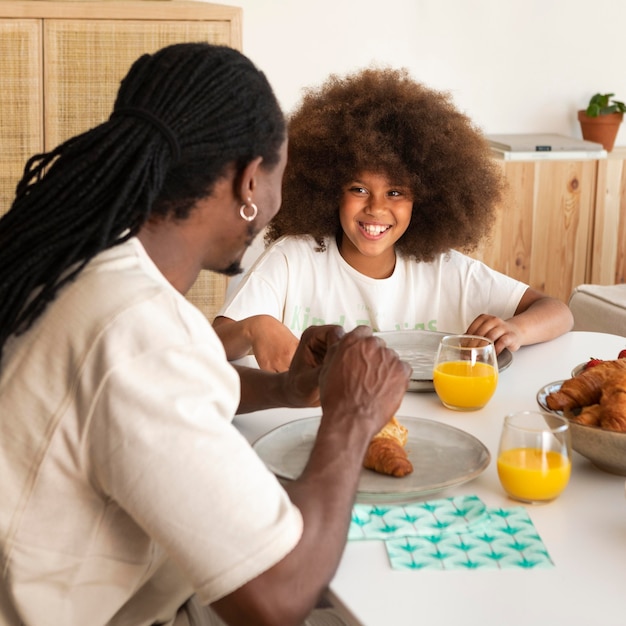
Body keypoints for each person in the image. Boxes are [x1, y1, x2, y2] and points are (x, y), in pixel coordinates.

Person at [0, 44, 411, 626]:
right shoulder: (139, 330)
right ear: (250, 183)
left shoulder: (80, 259)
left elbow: (152, 397)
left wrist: (287, 390)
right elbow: (277, 597)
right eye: (280, 178)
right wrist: (353, 416)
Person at [213, 68, 574, 372]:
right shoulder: (294, 259)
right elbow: (213, 344)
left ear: (427, 198)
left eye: (396, 193)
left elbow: (558, 312)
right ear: (327, 189)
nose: (376, 208)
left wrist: (516, 330)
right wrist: (253, 329)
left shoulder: (444, 270)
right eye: (358, 189)